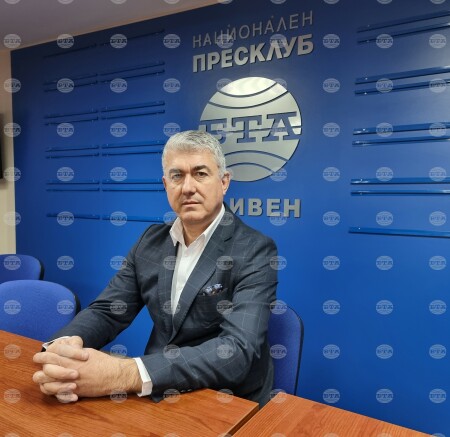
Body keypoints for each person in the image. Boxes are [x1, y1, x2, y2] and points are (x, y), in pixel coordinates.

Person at [33, 130, 278, 405]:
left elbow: (238, 351)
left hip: (223, 398)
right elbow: (108, 310)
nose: (187, 187)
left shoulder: (255, 249)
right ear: (165, 184)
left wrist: (124, 374)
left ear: (224, 182)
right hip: (157, 392)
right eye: (177, 176)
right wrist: (62, 349)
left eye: (200, 174)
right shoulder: (150, 241)